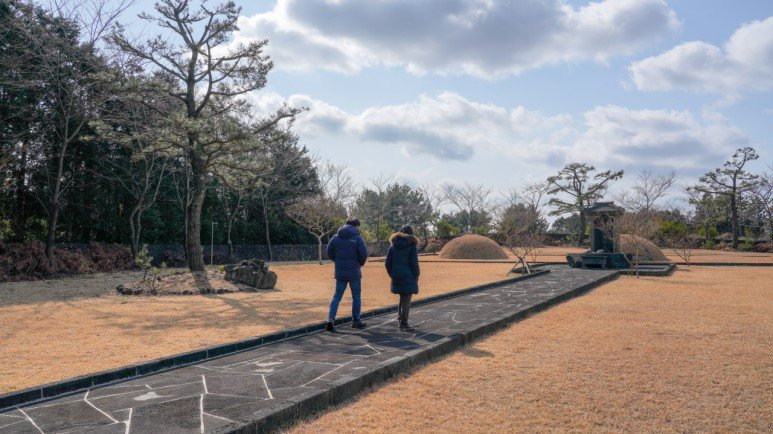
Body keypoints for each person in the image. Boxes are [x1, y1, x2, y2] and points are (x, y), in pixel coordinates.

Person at [325, 217, 369, 331]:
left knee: (337, 296)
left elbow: (329, 252)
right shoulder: (358, 238)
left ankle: (330, 319)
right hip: (354, 272)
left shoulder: (335, 237)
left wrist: (338, 261)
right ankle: (356, 321)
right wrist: (359, 263)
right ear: (356, 226)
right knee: (356, 297)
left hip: (340, 271)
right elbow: (363, 254)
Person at [384, 225, 420, 332]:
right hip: (408, 275)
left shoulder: (392, 246)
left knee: (402, 298)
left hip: (396, 275)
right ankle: (404, 322)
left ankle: (400, 320)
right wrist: (416, 274)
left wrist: (392, 273)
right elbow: (414, 263)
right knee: (406, 299)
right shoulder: (412, 246)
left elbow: (387, 263)